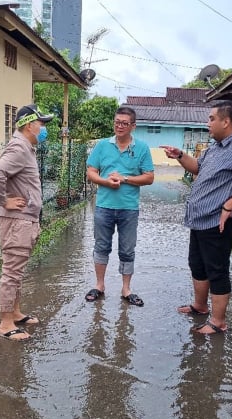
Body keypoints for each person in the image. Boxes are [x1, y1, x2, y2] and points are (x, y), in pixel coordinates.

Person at [162, 101, 232, 334]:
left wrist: (229, 205)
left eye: (211, 118)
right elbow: (198, 167)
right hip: (200, 219)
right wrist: (180, 155)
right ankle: (200, 307)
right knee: (197, 264)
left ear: (225, 121)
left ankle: (218, 321)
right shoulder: (217, 146)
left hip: (217, 223)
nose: (207, 123)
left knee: (216, 269)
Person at [0, 104, 54, 340]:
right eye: (42, 123)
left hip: (25, 220)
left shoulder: (26, 147)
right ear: (29, 125)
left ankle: (15, 313)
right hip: (17, 222)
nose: (44, 128)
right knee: (12, 272)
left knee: (17, 271)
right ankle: (6, 324)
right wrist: (2, 200)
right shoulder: (19, 147)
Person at [85, 106, 155, 306]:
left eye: (125, 123)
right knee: (101, 246)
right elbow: (91, 172)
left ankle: (126, 289)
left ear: (133, 126)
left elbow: (149, 177)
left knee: (127, 249)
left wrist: (124, 179)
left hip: (128, 208)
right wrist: (106, 182)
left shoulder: (141, 148)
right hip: (104, 206)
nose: (120, 126)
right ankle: (99, 285)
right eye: (117, 122)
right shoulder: (102, 146)